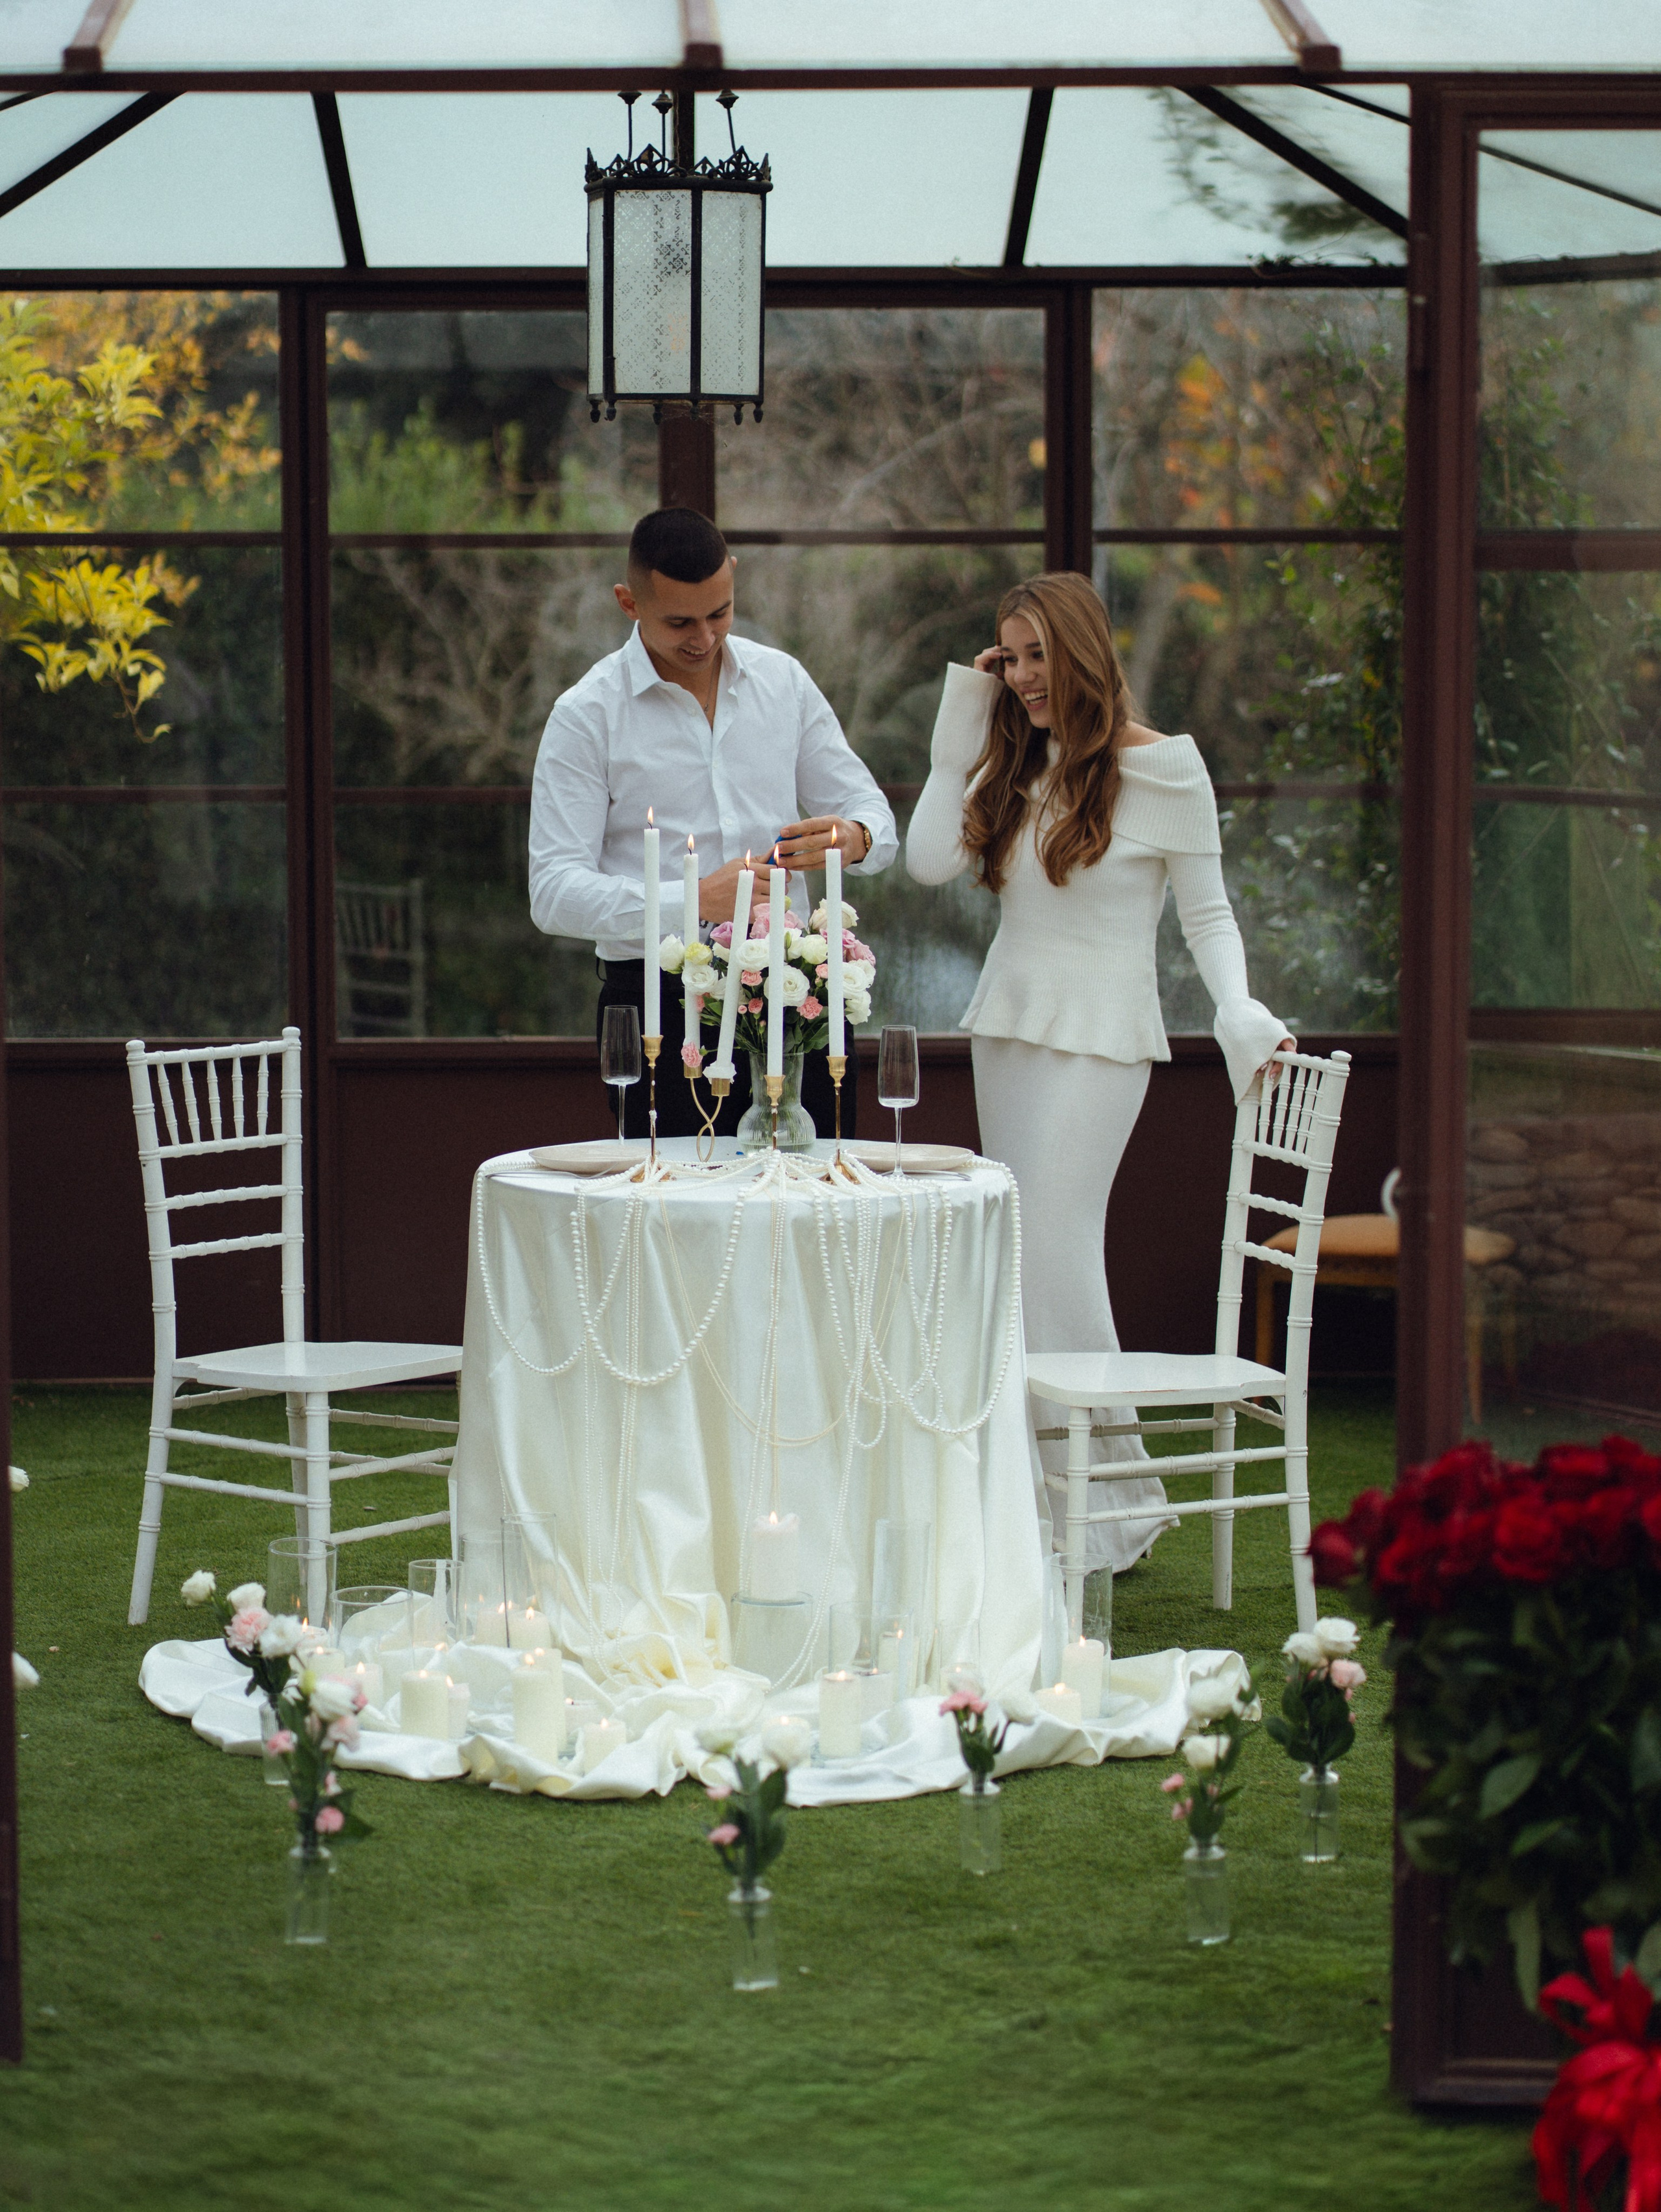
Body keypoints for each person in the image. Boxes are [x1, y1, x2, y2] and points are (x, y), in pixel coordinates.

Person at [905, 571, 1294, 1570]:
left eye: (1039, 655)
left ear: (1082, 651)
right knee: (1022, 1258)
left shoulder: (1169, 769)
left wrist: (1237, 1004)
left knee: (1055, 1249)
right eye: (1012, 656)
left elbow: (1207, 914)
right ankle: (1082, 1509)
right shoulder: (1015, 764)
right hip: (1010, 1032)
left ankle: (1100, 1511)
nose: (1027, 676)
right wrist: (966, 719)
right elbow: (924, 863)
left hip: (1106, 1044)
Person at [529, 508, 897, 1139]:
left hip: (794, 994)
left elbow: (876, 824)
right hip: (657, 1004)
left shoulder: (783, 681)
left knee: (815, 1209)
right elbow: (553, 894)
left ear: (733, 578)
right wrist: (693, 900)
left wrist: (854, 838)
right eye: (679, 621)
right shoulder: (585, 715)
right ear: (628, 602)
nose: (704, 636)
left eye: (719, 612)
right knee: (675, 1220)